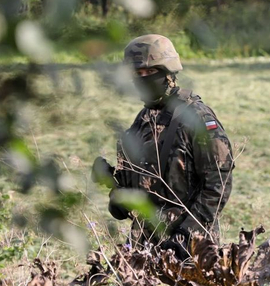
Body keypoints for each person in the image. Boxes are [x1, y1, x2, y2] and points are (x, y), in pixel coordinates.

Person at [93, 34, 234, 254]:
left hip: (192, 245)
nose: (143, 79)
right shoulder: (143, 120)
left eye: (150, 72)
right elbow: (133, 201)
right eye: (137, 74)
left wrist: (187, 233)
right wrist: (113, 185)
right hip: (145, 243)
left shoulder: (196, 117)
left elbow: (218, 185)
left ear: (169, 73)